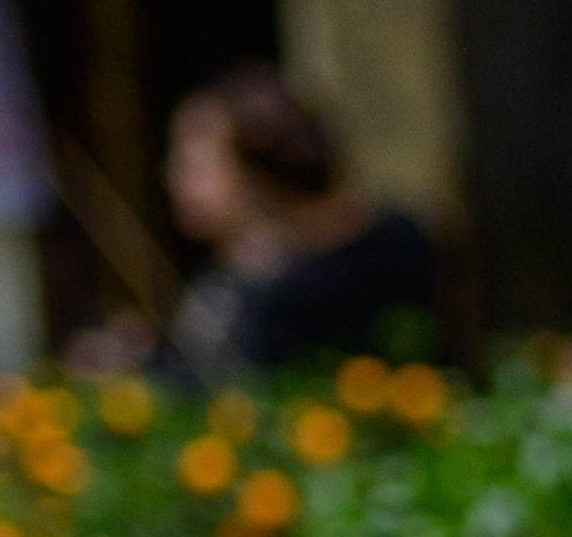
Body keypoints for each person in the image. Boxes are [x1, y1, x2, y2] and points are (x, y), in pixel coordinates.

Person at [161, 67, 440, 378]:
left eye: (196, 165)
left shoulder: (372, 256)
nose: (176, 180)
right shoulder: (238, 275)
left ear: (259, 173)